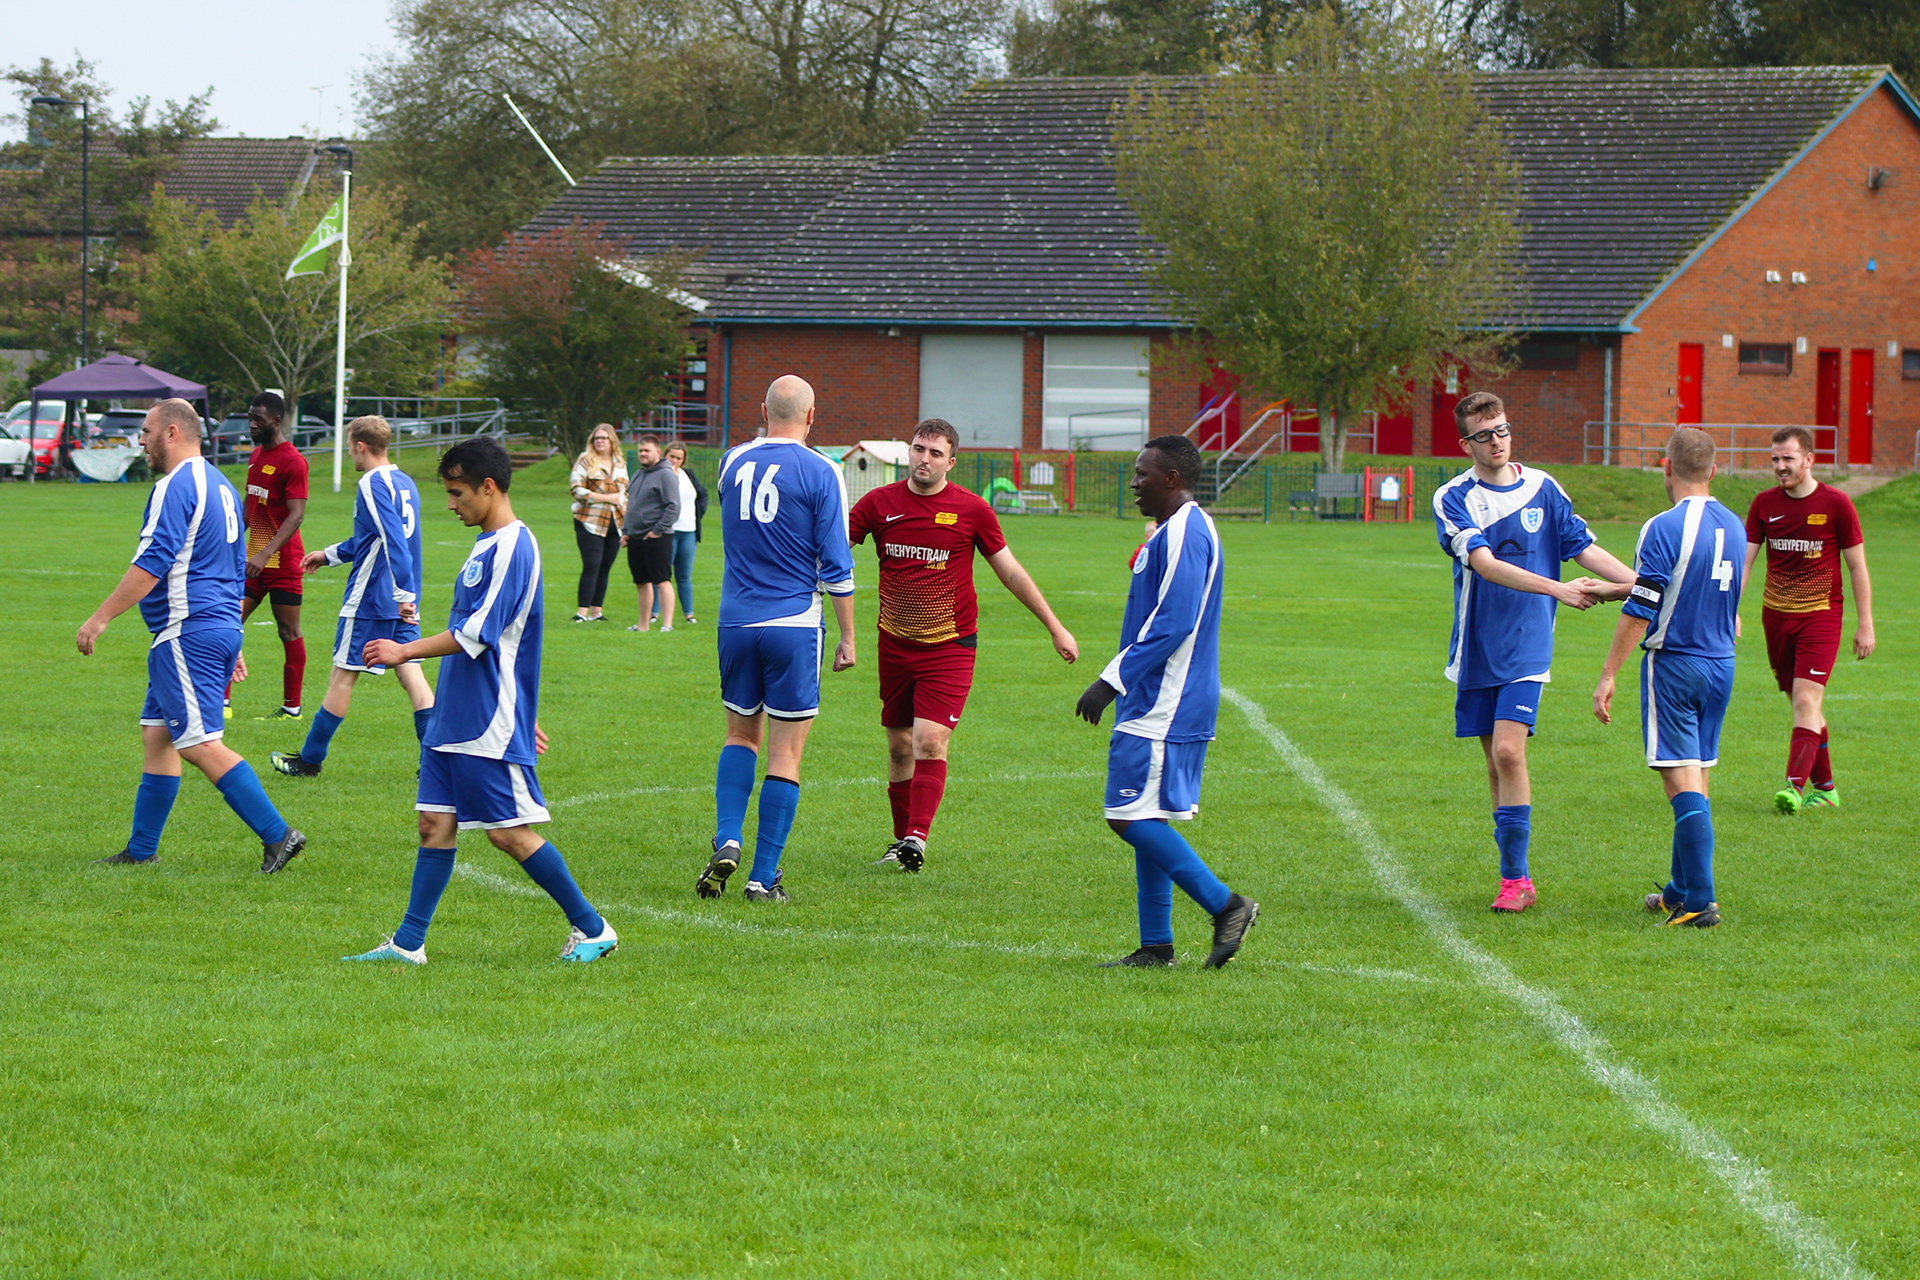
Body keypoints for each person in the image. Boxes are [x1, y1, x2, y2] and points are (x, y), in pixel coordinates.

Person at [344, 436, 616, 965]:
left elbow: (479, 633)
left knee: (508, 833)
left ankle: (593, 928)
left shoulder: (514, 545)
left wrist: (404, 651)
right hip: (454, 712)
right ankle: (408, 945)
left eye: (457, 493)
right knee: (434, 825)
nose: (450, 504)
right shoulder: (487, 542)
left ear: (488, 487)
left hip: (486, 716)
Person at [76, 399, 306, 873]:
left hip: (187, 630)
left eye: (146, 431)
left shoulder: (175, 485)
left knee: (198, 743)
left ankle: (278, 834)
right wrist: (231, 634)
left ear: (172, 432)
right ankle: (141, 850)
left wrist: (100, 618)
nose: (141, 440)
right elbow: (232, 567)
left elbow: (152, 563)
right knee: (157, 735)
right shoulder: (220, 484)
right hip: (209, 626)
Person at [1432, 391, 1634, 913]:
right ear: (1466, 444)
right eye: (1483, 435)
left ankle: (1515, 882)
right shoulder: (1454, 497)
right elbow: (1484, 564)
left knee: (1508, 751)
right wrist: (1558, 588)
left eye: (1501, 430)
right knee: (1495, 763)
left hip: (1529, 643)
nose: (1496, 441)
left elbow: (1583, 548)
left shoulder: (1543, 487)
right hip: (1477, 646)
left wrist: (1642, 584)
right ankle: (1515, 876)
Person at [849, 418, 1079, 871]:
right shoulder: (878, 504)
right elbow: (834, 551)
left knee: (929, 740)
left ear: (950, 462)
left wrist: (1055, 627)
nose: (924, 459)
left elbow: (1010, 572)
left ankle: (917, 837)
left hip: (950, 646)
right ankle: (901, 843)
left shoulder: (972, 510)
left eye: (935, 453)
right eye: (919, 449)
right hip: (894, 642)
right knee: (899, 746)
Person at [1075, 436, 1256, 969]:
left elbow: (1174, 621)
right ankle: (1156, 945)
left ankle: (1227, 906)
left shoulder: (1186, 531)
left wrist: (1109, 681)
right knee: (1145, 813)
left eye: (1143, 474)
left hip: (1166, 696)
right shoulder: (1174, 529)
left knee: (1125, 815)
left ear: (1172, 479)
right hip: (1159, 693)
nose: (1134, 483)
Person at [695, 375, 857, 903]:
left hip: (735, 621)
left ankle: (727, 836)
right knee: (785, 755)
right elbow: (836, 564)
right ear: (812, 416)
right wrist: (849, 636)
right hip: (793, 622)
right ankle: (763, 878)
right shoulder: (824, 470)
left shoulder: (730, 461)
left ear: (764, 411)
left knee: (740, 735)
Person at [1591, 428, 1745, 928]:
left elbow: (1644, 606)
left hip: (1676, 663)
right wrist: (1613, 588)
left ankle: (1701, 900)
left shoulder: (1662, 526)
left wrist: (1608, 673)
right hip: (1721, 663)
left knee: (1681, 782)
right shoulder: (1735, 525)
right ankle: (1678, 889)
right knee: (1697, 776)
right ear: (1714, 470)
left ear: (1667, 467)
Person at [270, 416, 433, 778]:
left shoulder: (372, 482)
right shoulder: (405, 482)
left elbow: (393, 540)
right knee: (412, 675)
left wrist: (401, 594)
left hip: (373, 598)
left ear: (360, 446)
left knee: (342, 677)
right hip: (404, 599)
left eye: (349, 447)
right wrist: (328, 555)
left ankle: (310, 759)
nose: (349, 454)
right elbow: (371, 538)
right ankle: (435, 763)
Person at [1740, 426, 1874, 814]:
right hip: (1775, 617)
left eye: (1788, 458)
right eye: (1775, 459)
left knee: (1805, 699)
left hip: (1820, 617)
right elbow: (1745, 563)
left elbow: (1857, 566)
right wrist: (1729, 611)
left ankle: (1793, 788)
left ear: (1809, 460)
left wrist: (1865, 623)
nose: (1780, 466)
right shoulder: (1764, 504)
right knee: (1803, 705)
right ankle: (1826, 790)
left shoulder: (1836, 504)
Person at [230, 391, 309, 721]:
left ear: (276, 421)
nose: (251, 424)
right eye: (250, 418)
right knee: (228, 622)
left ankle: (292, 709)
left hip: (282, 562)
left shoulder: (293, 461)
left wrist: (265, 554)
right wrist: (230, 541)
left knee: (288, 631)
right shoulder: (256, 455)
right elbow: (250, 506)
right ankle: (221, 703)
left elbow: (296, 515)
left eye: (257, 419)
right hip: (254, 561)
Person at [568, 423, 627, 622]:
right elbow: (576, 490)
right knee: (591, 564)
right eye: (596, 438)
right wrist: (606, 498)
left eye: (603, 438)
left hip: (615, 521)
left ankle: (596, 612)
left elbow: (624, 493)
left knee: (605, 567)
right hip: (589, 520)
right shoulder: (585, 460)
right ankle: (582, 613)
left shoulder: (620, 463)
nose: (600, 441)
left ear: (612, 441)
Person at [621, 435, 680, 632]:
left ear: (658, 452)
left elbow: (673, 506)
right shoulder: (638, 474)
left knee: (662, 581)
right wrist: (626, 531)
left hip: (657, 538)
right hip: (636, 537)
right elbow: (631, 505)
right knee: (641, 582)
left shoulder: (666, 475)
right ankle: (643, 626)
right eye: (640, 451)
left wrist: (657, 531)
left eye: (647, 451)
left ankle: (667, 625)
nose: (643, 454)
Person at [653, 441, 706, 625]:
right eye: (671, 456)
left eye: (678, 458)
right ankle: (654, 613)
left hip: (689, 531)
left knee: (684, 575)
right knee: (662, 574)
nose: (674, 461)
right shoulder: (660, 474)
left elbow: (702, 495)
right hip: (668, 531)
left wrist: (697, 514)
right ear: (664, 455)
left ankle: (688, 614)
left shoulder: (688, 475)